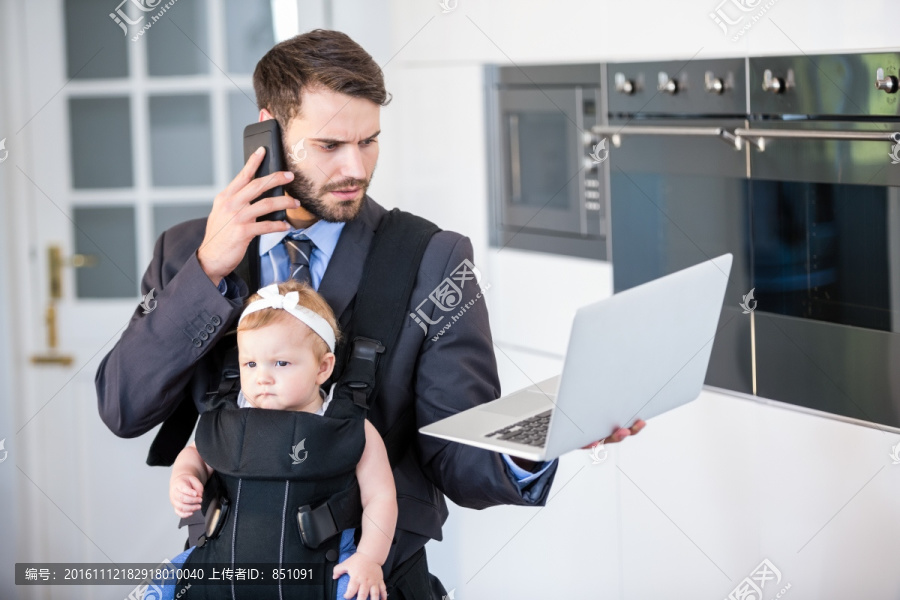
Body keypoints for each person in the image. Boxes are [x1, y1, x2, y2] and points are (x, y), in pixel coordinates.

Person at [96, 29, 644, 599]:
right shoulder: (188, 254)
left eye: (370, 140)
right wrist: (207, 272)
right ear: (270, 131)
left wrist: (548, 432)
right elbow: (122, 407)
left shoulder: (433, 259)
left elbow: (457, 451)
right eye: (330, 145)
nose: (355, 167)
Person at [166, 280, 394, 600]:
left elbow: (380, 497)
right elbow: (195, 454)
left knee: (360, 592)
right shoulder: (227, 418)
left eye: (281, 363)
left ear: (323, 368)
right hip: (225, 569)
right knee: (161, 587)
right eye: (250, 363)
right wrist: (185, 476)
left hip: (320, 573)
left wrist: (370, 558)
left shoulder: (347, 427)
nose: (263, 377)